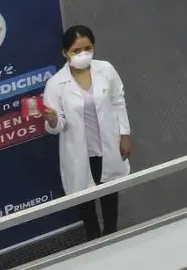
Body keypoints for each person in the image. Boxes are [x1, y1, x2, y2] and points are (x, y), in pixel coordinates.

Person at [41, 26, 130, 240]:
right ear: (65, 53)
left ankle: (112, 236)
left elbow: (118, 100)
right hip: (79, 154)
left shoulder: (105, 69)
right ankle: (94, 241)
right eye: (76, 50)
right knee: (86, 204)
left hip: (107, 147)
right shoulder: (55, 84)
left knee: (109, 198)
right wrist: (53, 120)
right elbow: (56, 126)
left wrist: (125, 134)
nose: (83, 54)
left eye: (88, 48)